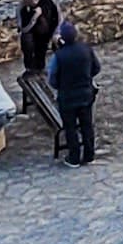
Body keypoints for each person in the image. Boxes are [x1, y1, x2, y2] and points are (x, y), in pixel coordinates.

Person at [46, 17, 101, 166]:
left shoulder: (59, 56)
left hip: (67, 97)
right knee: (87, 125)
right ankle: (89, 155)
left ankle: (74, 157)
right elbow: (97, 68)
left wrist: (60, 86)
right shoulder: (86, 49)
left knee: (70, 128)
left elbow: (52, 78)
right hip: (85, 94)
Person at [16, 0, 60, 105]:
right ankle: (31, 68)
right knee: (27, 41)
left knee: (59, 46)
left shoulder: (47, 0)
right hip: (33, 33)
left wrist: (56, 34)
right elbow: (23, 29)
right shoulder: (22, 8)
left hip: (49, 31)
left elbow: (58, 18)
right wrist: (34, 17)